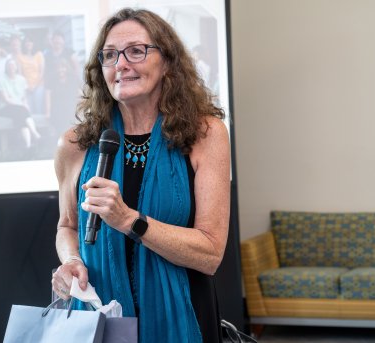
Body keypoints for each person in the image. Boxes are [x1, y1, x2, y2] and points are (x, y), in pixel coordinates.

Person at [51, 8, 230, 343]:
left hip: (184, 316)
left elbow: (210, 253)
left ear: (167, 62)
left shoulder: (206, 134)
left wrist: (130, 220)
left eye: (136, 50)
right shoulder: (75, 144)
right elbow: (68, 226)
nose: (121, 64)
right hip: (102, 318)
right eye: (110, 55)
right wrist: (72, 261)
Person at [0, 58, 41, 151]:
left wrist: (26, 105)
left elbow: (24, 98)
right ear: (6, 67)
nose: (11, 67)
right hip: (6, 107)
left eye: (13, 65)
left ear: (16, 67)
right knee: (21, 111)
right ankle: (35, 134)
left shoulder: (22, 79)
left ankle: (28, 145)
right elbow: (6, 99)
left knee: (21, 117)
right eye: (9, 65)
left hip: (20, 109)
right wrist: (21, 105)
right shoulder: (2, 80)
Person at [17, 35, 45, 114]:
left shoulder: (39, 54)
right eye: (26, 42)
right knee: (29, 110)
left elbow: (41, 72)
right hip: (26, 87)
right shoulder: (20, 56)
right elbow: (20, 74)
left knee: (39, 108)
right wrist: (27, 86)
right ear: (24, 44)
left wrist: (35, 86)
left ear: (33, 43)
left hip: (38, 86)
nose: (28, 43)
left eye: (30, 41)